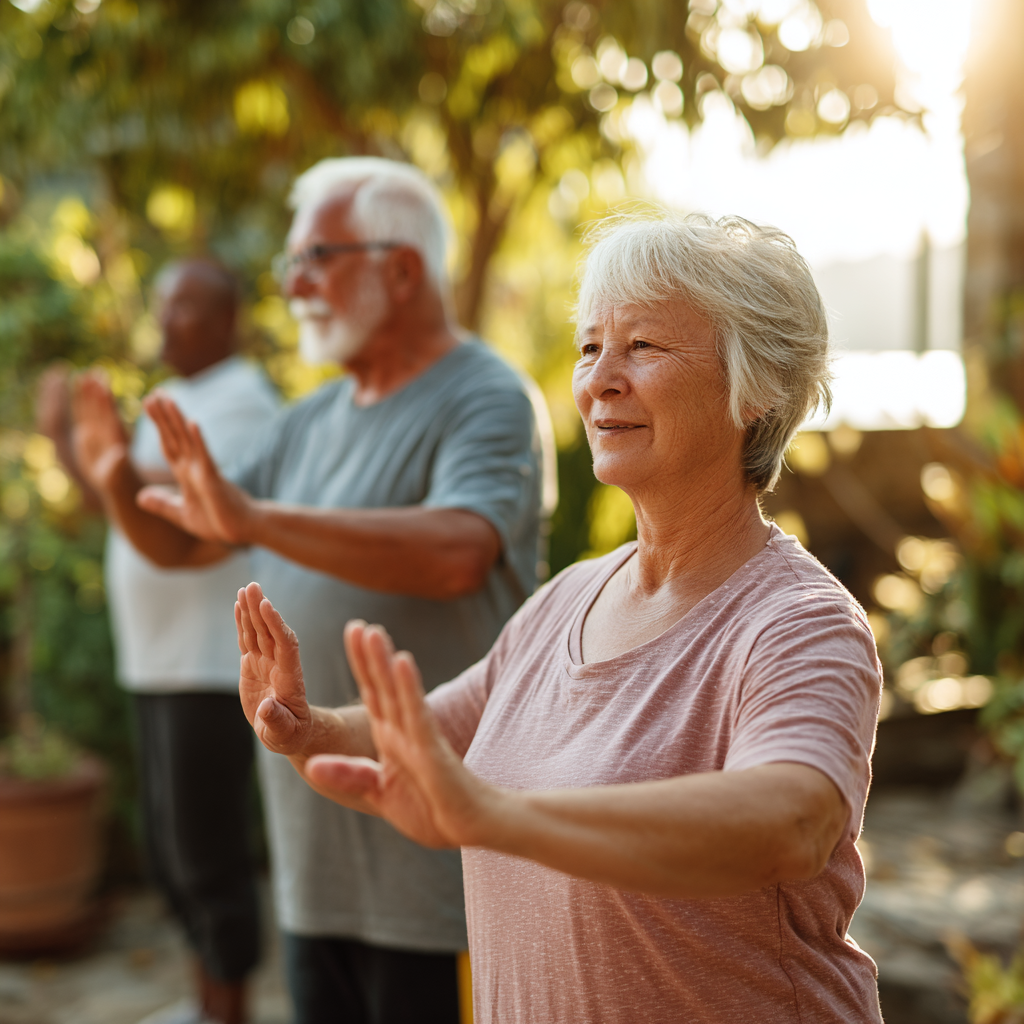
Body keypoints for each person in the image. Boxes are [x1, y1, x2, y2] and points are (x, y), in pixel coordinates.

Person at [234, 212, 885, 1023]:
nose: (601, 379)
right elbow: (436, 732)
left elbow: (791, 820)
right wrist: (309, 726)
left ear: (754, 386)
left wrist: (497, 816)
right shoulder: (567, 600)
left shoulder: (798, 624)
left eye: (642, 347)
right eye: (588, 348)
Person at [71, 158, 550, 1024]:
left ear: (402, 268)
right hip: (313, 873)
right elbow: (186, 539)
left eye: (316, 258)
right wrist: (111, 477)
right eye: (290, 264)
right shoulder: (309, 420)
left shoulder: (487, 397)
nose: (294, 285)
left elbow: (456, 552)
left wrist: (255, 518)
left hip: (440, 884)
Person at [39, 259, 280, 1024]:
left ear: (226, 320)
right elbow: (118, 504)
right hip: (158, 660)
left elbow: (167, 509)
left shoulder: (243, 399)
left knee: (204, 851)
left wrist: (94, 451)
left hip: (210, 664)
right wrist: (62, 438)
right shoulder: (172, 397)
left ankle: (228, 1006)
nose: (164, 321)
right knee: (168, 849)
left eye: (183, 308)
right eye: (163, 305)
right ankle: (201, 998)